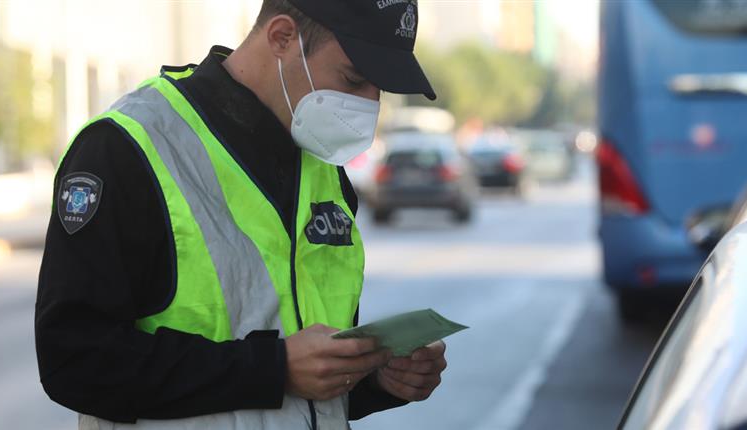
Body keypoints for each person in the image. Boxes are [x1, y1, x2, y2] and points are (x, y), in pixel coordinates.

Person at [34, 1, 446, 428]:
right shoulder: (128, 147)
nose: (369, 104)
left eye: (378, 87)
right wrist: (274, 368)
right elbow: (74, 362)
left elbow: (303, 378)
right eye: (354, 79)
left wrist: (374, 377)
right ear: (282, 37)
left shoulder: (322, 167)